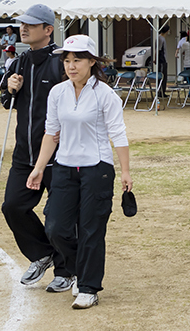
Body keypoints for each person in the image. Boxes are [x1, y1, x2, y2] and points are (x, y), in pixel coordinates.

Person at [26, 35, 131, 310]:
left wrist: (125, 172)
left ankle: (88, 287)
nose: (71, 66)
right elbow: (52, 131)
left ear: (91, 62)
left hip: (97, 169)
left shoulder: (105, 94)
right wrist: (39, 168)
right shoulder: (58, 92)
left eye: (78, 60)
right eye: (67, 60)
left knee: (91, 229)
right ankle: (75, 268)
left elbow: (118, 133)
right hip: (63, 167)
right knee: (56, 227)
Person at [0, 4, 71, 292]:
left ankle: (67, 269)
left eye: (31, 24)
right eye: (21, 24)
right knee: (13, 207)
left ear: (48, 29)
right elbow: (7, 103)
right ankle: (42, 254)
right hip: (24, 154)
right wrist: (9, 88)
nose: (23, 28)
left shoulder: (60, 63)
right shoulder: (18, 63)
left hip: (60, 156)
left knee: (60, 217)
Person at [156, 24, 170, 98]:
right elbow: (158, 50)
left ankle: (161, 91)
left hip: (162, 60)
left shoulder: (159, 38)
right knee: (162, 76)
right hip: (162, 60)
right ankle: (161, 92)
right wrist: (156, 59)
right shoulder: (161, 38)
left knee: (162, 76)